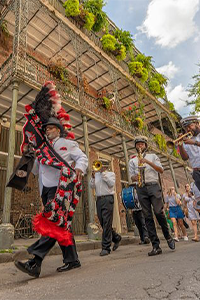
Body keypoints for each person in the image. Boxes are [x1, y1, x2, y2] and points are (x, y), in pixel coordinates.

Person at [14, 82, 88, 278]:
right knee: (61, 224)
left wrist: (79, 169)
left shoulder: (67, 143)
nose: (47, 131)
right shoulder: (42, 149)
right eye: (46, 129)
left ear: (57, 129)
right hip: (47, 188)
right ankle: (72, 260)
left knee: (53, 222)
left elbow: (82, 158)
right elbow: (38, 171)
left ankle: (35, 261)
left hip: (62, 187)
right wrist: (31, 158)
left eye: (51, 128)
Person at [129, 136, 175, 256]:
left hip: (153, 185)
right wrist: (136, 175)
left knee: (158, 212)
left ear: (145, 145)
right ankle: (156, 245)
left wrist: (147, 162)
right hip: (141, 187)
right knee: (147, 216)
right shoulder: (132, 160)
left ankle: (168, 236)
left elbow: (161, 170)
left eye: (142, 144)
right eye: (138, 144)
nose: (140, 146)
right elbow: (132, 177)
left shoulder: (153, 156)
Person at [90, 161, 122, 256]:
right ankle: (116, 238)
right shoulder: (96, 175)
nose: (99, 168)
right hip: (99, 199)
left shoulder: (111, 174)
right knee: (103, 223)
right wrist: (92, 177)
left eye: (101, 166)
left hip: (108, 198)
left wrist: (103, 173)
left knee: (107, 222)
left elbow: (111, 184)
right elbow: (92, 186)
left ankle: (106, 247)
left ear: (105, 167)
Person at [179, 116, 200, 192]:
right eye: (185, 128)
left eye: (190, 126)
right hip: (197, 173)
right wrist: (180, 145)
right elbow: (185, 158)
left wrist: (195, 143)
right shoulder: (187, 141)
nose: (188, 129)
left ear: (197, 124)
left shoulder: (191, 141)